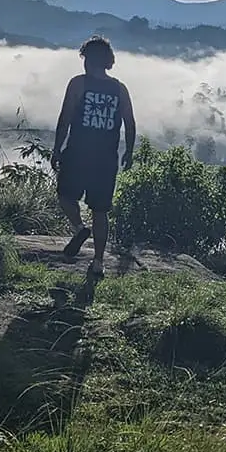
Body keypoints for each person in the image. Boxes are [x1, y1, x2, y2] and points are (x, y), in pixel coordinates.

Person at [51, 35, 135, 277]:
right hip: (106, 160)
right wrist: (128, 152)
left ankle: (78, 228)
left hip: (78, 153)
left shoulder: (78, 84)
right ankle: (98, 262)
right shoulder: (120, 89)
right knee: (101, 211)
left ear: (87, 59)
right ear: (108, 61)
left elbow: (65, 118)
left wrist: (57, 149)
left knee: (66, 196)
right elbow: (130, 124)